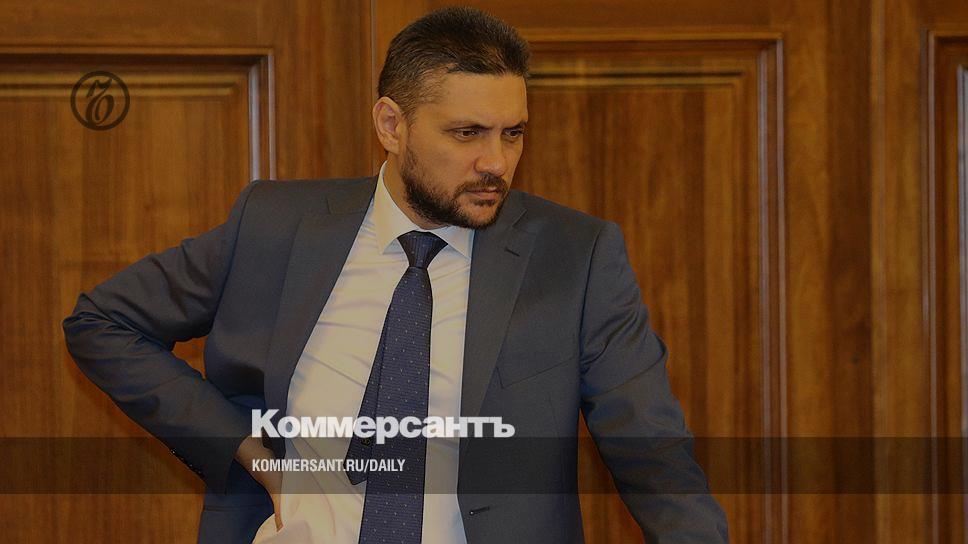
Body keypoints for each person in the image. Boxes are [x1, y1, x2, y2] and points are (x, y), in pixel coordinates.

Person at [62, 6, 728, 544]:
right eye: (467, 133)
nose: (496, 162)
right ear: (391, 125)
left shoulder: (575, 257)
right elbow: (102, 322)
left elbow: (653, 455)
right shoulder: (275, 228)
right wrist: (248, 453)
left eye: (513, 133)